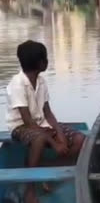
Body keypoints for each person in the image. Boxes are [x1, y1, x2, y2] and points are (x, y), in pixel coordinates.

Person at [6, 40, 85, 203]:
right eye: (45, 59)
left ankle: (48, 171)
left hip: (41, 124)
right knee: (40, 138)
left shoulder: (41, 82)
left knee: (79, 139)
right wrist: (55, 143)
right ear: (40, 63)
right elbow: (28, 122)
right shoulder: (17, 84)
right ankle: (30, 190)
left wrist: (61, 134)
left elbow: (48, 113)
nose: (47, 61)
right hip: (20, 127)